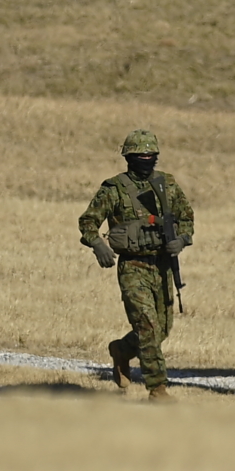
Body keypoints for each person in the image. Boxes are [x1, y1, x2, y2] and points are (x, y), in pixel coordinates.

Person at [78, 128, 195, 399]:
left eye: (151, 155)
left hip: (163, 266)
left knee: (161, 329)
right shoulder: (114, 188)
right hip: (133, 267)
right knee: (148, 327)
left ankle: (121, 349)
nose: (146, 159)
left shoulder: (167, 185)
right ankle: (158, 388)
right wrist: (97, 245)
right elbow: (88, 221)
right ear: (129, 157)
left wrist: (183, 239)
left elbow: (186, 217)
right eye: (140, 155)